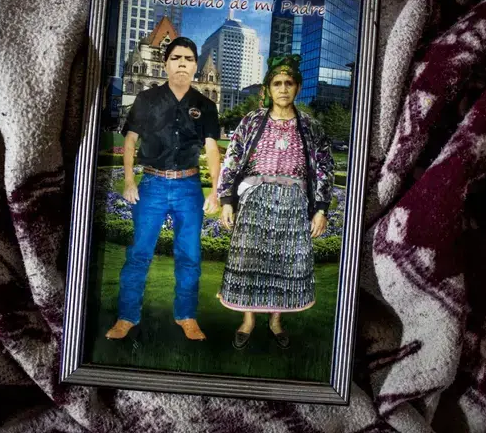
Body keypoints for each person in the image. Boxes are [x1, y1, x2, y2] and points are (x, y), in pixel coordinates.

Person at [105, 37, 221, 341]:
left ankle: (187, 316)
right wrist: (129, 180)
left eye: (188, 59)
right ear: (166, 63)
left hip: (189, 187)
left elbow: (211, 149)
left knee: (190, 256)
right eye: (176, 58)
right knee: (139, 254)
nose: (182, 63)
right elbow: (130, 140)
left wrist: (216, 190)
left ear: (195, 66)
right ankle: (126, 317)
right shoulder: (146, 99)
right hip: (152, 185)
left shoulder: (205, 105)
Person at [216, 54, 334, 350]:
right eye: (277, 83)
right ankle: (248, 321)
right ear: (268, 89)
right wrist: (227, 200)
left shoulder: (311, 127)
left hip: (294, 203)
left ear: (297, 88)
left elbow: (323, 168)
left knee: (287, 264)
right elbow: (231, 160)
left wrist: (320, 209)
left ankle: (276, 321)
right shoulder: (251, 122)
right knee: (248, 260)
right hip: (255, 200)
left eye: (289, 83)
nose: (283, 89)